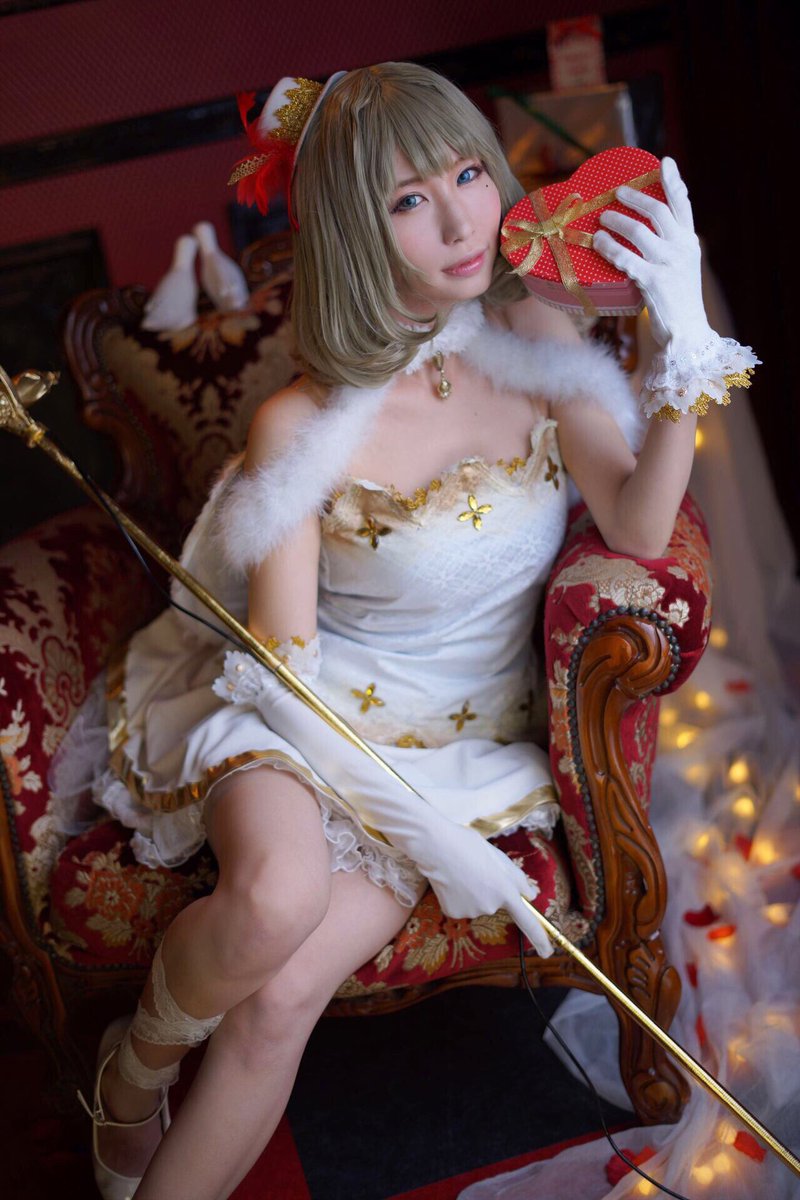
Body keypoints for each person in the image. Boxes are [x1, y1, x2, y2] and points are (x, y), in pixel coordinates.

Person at [69, 62, 757, 1200]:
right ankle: (132, 1074)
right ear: (353, 227)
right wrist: (418, 830)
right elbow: (283, 670)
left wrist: (682, 338)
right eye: (407, 199)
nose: (459, 221)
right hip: (304, 713)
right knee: (276, 901)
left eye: (468, 174)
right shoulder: (300, 422)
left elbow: (639, 526)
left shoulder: (534, 335)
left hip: (455, 743)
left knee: (285, 998)